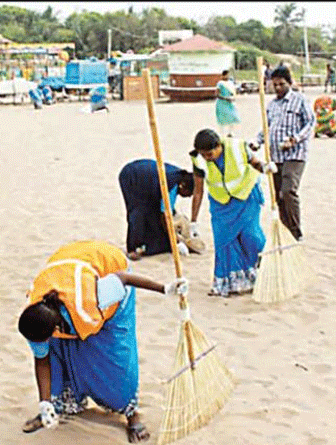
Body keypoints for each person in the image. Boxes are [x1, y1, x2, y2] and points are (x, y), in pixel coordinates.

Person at [17, 240, 188, 442]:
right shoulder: (35, 315)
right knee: (58, 350)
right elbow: (42, 360)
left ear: (55, 328)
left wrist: (165, 288)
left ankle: (132, 415)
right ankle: (57, 405)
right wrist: (44, 404)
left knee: (114, 354)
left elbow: (123, 278)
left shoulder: (95, 299)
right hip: (67, 265)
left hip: (109, 268)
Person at [191, 129, 272, 296]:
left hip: (246, 196)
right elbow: (198, 190)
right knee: (224, 241)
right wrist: (193, 221)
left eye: (210, 153)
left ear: (219, 146)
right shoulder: (198, 160)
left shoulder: (238, 146)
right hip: (221, 204)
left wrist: (265, 167)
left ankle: (263, 274)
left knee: (251, 236)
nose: (207, 158)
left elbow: (255, 163)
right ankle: (232, 283)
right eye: (203, 154)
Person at [249, 64, 314, 242]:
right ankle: (286, 230)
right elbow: (267, 127)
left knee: (288, 191)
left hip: (295, 154)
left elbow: (310, 124)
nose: (277, 88)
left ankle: (296, 231)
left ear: (289, 83)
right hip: (275, 156)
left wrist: (294, 139)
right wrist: (257, 141)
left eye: (281, 84)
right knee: (277, 195)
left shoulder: (300, 100)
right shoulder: (271, 105)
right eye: (274, 85)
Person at [118, 159, 198, 260]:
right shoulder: (171, 185)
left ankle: (150, 244)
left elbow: (166, 208)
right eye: (189, 193)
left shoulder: (179, 178)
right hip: (132, 177)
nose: (189, 197)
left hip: (148, 180)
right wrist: (176, 241)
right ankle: (133, 249)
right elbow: (165, 216)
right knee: (138, 211)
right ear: (183, 186)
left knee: (153, 211)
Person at [215, 70, 240, 137]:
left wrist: (232, 97)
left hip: (230, 102)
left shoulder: (230, 83)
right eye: (226, 75)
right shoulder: (220, 83)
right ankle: (221, 134)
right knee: (222, 118)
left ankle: (230, 132)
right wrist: (225, 98)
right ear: (223, 75)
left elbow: (233, 92)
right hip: (222, 103)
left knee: (232, 116)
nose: (228, 76)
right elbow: (217, 94)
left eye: (228, 75)